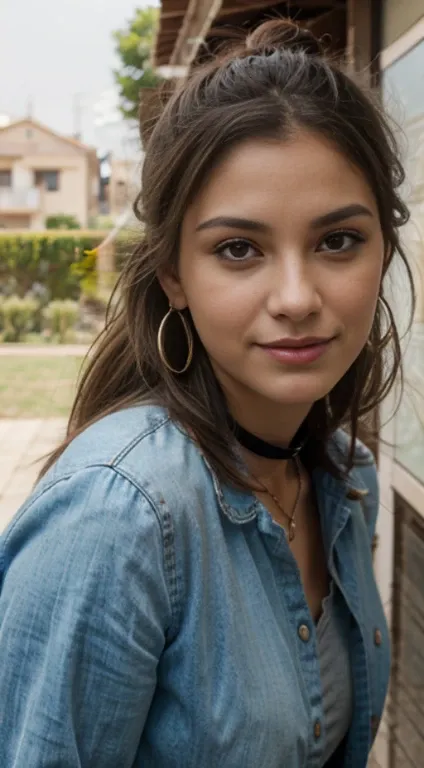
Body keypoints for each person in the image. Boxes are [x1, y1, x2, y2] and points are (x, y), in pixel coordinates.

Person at [0, 18, 414, 768]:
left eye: (337, 241)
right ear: (173, 278)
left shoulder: (344, 478)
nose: (296, 296)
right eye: (238, 249)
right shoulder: (116, 519)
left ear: (383, 246)